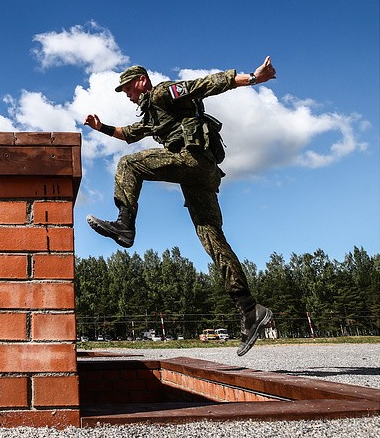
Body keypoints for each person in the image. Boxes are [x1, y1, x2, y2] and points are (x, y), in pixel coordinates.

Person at [84, 56, 276, 356]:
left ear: (141, 81)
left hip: (194, 161)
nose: (128, 95)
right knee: (212, 239)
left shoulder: (162, 92)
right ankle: (250, 309)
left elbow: (206, 84)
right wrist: (102, 127)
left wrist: (253, 78)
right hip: (201, 177)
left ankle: (124, 224)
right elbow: (130, 133)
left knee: (129, 164)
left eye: (128, 89)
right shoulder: (152, 115)